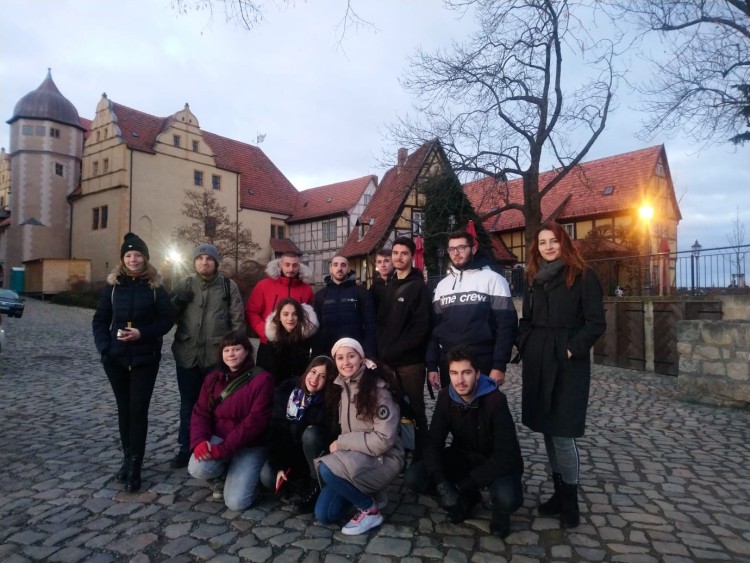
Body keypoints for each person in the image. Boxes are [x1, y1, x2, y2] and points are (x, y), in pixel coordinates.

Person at [518, 221, 606, 529]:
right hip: (539, 358)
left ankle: (570, 500)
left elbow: (595, 323)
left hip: (567, 362)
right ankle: (558, 493)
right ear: (537, 248)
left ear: (564, 242)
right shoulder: (533, 278)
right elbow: (526, 319)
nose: (548, 247)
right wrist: (525, 344)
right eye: (542, 243)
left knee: (563, 432)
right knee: (546, 429)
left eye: (553, 241)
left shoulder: (583, 275)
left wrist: (572, 349)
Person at [405, 347, 524, 539]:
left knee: (507, 498)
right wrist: (442, 483)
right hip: (462, 456)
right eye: (454, 373)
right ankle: (467, 501)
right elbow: (434, 442)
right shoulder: (445, 397)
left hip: (494, 461)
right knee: (415, 477)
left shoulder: (496, 400)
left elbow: (507, 454)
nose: (460, 380)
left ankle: (500, 514)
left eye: (466, 372)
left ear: (477, 374)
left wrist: (463, 485)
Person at [92, 232, 175, 493]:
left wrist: (143, 333)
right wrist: (105, 348)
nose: (133, 259)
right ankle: (127, 459)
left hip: (144, 358)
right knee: (123, 409)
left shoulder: (155, 288)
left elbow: (166, 320)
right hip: (115, 358)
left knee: (138, 410)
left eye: (138, 255)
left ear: (146, 258)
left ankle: (136, 466)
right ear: (122, 259)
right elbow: (100, 320)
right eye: (128, 255)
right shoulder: (113, 286)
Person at [314, 338, 405, 536]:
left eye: (351, 356)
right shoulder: (343, 386)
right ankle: (366, 490)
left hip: (384, 458)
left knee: (327, 469)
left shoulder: (378, 390)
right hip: (357, 457)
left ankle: (370, 508)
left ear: (361, 358)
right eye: (340, 358)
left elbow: (384, 440)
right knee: (325, 514)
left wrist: (342, 443)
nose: (345, 362)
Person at [169, 243, 246, 469]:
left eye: (209, 259)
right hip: (187, 355)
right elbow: (168, 317)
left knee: (217, 405)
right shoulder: (184, 284)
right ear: (194, 262)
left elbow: (237, 319)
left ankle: (213, 444)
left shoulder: (227, 286)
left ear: (216, 262)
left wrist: (237, 352)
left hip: (216, 358)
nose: (204, 262)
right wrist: (177, 302)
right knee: (188, 404)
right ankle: (186, 447)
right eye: (200, 258)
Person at [188, 330, 274, 511]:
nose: (231, 354)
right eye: (227, 350)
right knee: (197, 467)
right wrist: (199, 441)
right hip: (220, 438)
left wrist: (225, 449)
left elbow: (255, 422)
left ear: (247, 351)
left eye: (236, 349)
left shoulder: (262, 379)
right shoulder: (213, 379)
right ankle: (222, 475)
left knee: (236, 503)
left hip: (250, 444)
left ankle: (251, 477)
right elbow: (201, 412)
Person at [426, 230, 518, 389]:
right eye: (452, 249)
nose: (456, 253)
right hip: (450, 363)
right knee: (452, 412)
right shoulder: (442, 286)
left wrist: (499, 365)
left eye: (461, 248)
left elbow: (506, 325)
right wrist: (432, 365)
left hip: (483, 362)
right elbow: (435, 330)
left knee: (484, 411)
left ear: (473, 249)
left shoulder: (493, 279)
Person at [260, 355, 338, 513]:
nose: (315, 379)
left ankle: (315, 484)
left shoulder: (329, 401)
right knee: (267, 476)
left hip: (313, 455)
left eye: (322, 376)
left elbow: (329, 433)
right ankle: (293, 486)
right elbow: (275, 428)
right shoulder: (288, 390)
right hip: (288, 454)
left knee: (311, 433)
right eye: (313, 372)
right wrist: (280, 464)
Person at [375, 236, 432, 456]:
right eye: (395, 253)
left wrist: (397, 350)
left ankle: (422, 456)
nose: (398, 257)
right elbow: (381, 323)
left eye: (404, 253)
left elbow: (422, 327)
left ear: (411, 256)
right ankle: (399, 452)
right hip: (388, 362)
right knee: (393, 408)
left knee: (415, 410)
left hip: (410, 363)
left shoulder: (418, 288)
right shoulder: (389, 285)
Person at [312, 254, 377, 358]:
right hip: (328, 352)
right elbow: (316, 329)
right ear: (330, 269)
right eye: (335, 265)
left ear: (348, 269)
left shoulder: (362, 293)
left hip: (355, 352)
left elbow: (371, 326)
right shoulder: (320, 296)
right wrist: (317, 355)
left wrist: (369, 353)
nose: (339, 268)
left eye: (343, 265)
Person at [245, 251, 314, 343]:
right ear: (280, 265)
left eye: (295, 265)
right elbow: (251, 312)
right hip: (270, 342)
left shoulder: (307, 289)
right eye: (287, 264)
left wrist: (305, 332)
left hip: (297, 343)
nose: (291, 269)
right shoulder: (263, 285)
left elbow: (311, 315)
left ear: (299, 267)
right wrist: (265, 331)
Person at [256, 297, 319, 385]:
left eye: (295, 314)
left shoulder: (309, 340)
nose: (290, 318)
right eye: (285, 314)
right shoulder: (272, 341)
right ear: (279, 317)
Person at [369, 248, 393, 313]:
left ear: (393, 263)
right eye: (379, 262)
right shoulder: (373, 287)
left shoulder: (399, 282)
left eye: (387, 261)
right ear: (376, 265)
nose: (383, 265)